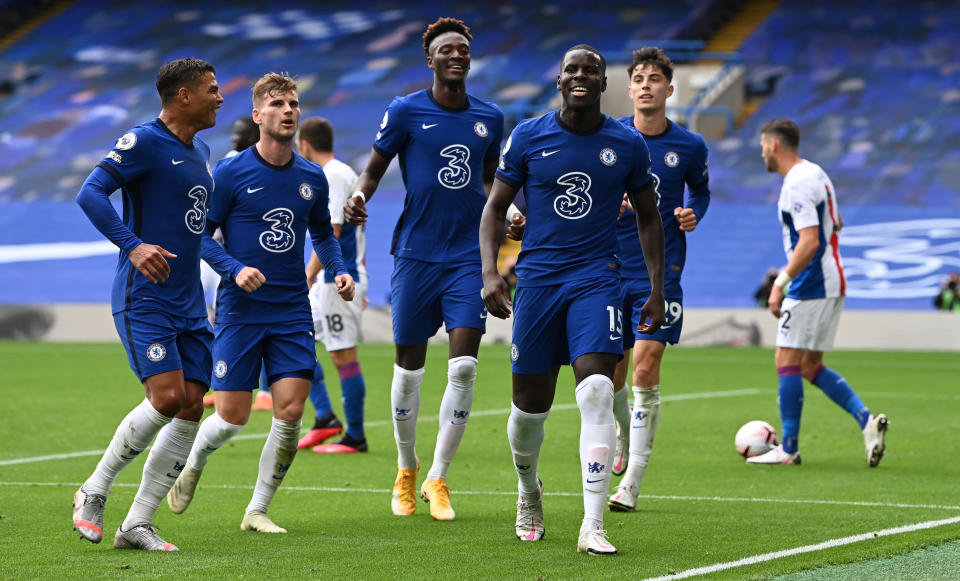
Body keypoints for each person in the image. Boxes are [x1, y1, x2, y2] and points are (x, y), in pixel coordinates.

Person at [480, 45, 665, 555]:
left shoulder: (626, 144)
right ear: (559, 80)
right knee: (528, 410)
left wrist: (656, 287)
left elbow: (650, 216)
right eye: (572, 70)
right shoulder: (529, 136)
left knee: (598, 391)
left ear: (604, 83)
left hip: (596, 280)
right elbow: (495, 208)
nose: (581, 76)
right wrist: (492, 273)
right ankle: (527, 490)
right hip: (537, 283)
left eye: (591, 71)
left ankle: (592, 523)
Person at [165, 73, 355, 533]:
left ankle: (257, 510)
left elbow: (320, 235)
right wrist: (234, 269)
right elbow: (201, 237)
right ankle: (193, 461)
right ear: (258, 115)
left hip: (291, 308)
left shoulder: (312, 177)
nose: (289, 110)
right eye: (278, 104)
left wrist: (338, 268)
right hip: (240, 310)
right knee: (232, 417)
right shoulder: (229, 172)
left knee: (291, 412)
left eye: (293, 103)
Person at [344, 17, 503, 522]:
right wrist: (359, 196)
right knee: (408, 372)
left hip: (466, 260)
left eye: (462, 49)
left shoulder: (490, 118)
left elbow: (493, 184)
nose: (456, 55)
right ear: (430, 60)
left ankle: (438, 475)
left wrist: (511, 210)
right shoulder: (406, 110)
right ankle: (405, 469)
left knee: (463, 366)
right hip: (415, 254)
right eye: (445, 50)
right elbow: (374, 168)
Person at [72, 57, 223, 551]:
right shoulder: (143, 142)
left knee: (191, 406)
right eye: (212, 89)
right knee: (165, 398)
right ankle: (93, 491)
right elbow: (90, 193)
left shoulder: (201, 149)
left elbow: (197, 229)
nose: (220, 97)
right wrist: (132, 245)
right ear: (184, 95)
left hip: (188, 302)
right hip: (146, 298)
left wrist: (230, 268)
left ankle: (137, 524)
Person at [747, 118, 888, 466]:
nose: (761, 151)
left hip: (812, 281)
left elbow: (809, 241)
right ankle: (867, 422)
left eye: (763, 145)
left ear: (775, 145)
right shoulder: (817, 173)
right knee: (810, 364)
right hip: (832, 276)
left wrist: (779, 284)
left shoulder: (796, 183)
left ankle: (789, 448)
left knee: (786, 360)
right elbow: (834, 224)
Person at [607, 47, 711, 512]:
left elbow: (702, 190)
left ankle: (631, 482)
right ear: (628, 89)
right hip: (607, 268)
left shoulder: (689, 146)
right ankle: (622, 435)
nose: (646, 85)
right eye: (639, 78)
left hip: (661, 275)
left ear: (669, 89)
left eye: (655, 79)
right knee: (610, 374)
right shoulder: (608, 138)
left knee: (646, 367)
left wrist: (694, 213)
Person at [296, 116, 369, 454]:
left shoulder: (334, 175)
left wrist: (306, 275)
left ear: (304, 144)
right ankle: (325, 417)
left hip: (336, 279)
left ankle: (355, 436)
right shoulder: (334, 174)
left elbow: (332, 234)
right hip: (330, 280)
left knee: (342, 356)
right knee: (294, 340)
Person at [202, 117, 261, 405]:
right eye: (235, 132)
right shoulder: (227, 163)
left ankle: (264, 390)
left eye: (241, 132)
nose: (235, 137)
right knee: (216, 316)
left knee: (265, 325)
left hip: (250, 258)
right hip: (222, 256)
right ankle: (221, 383)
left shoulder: (264, 164)